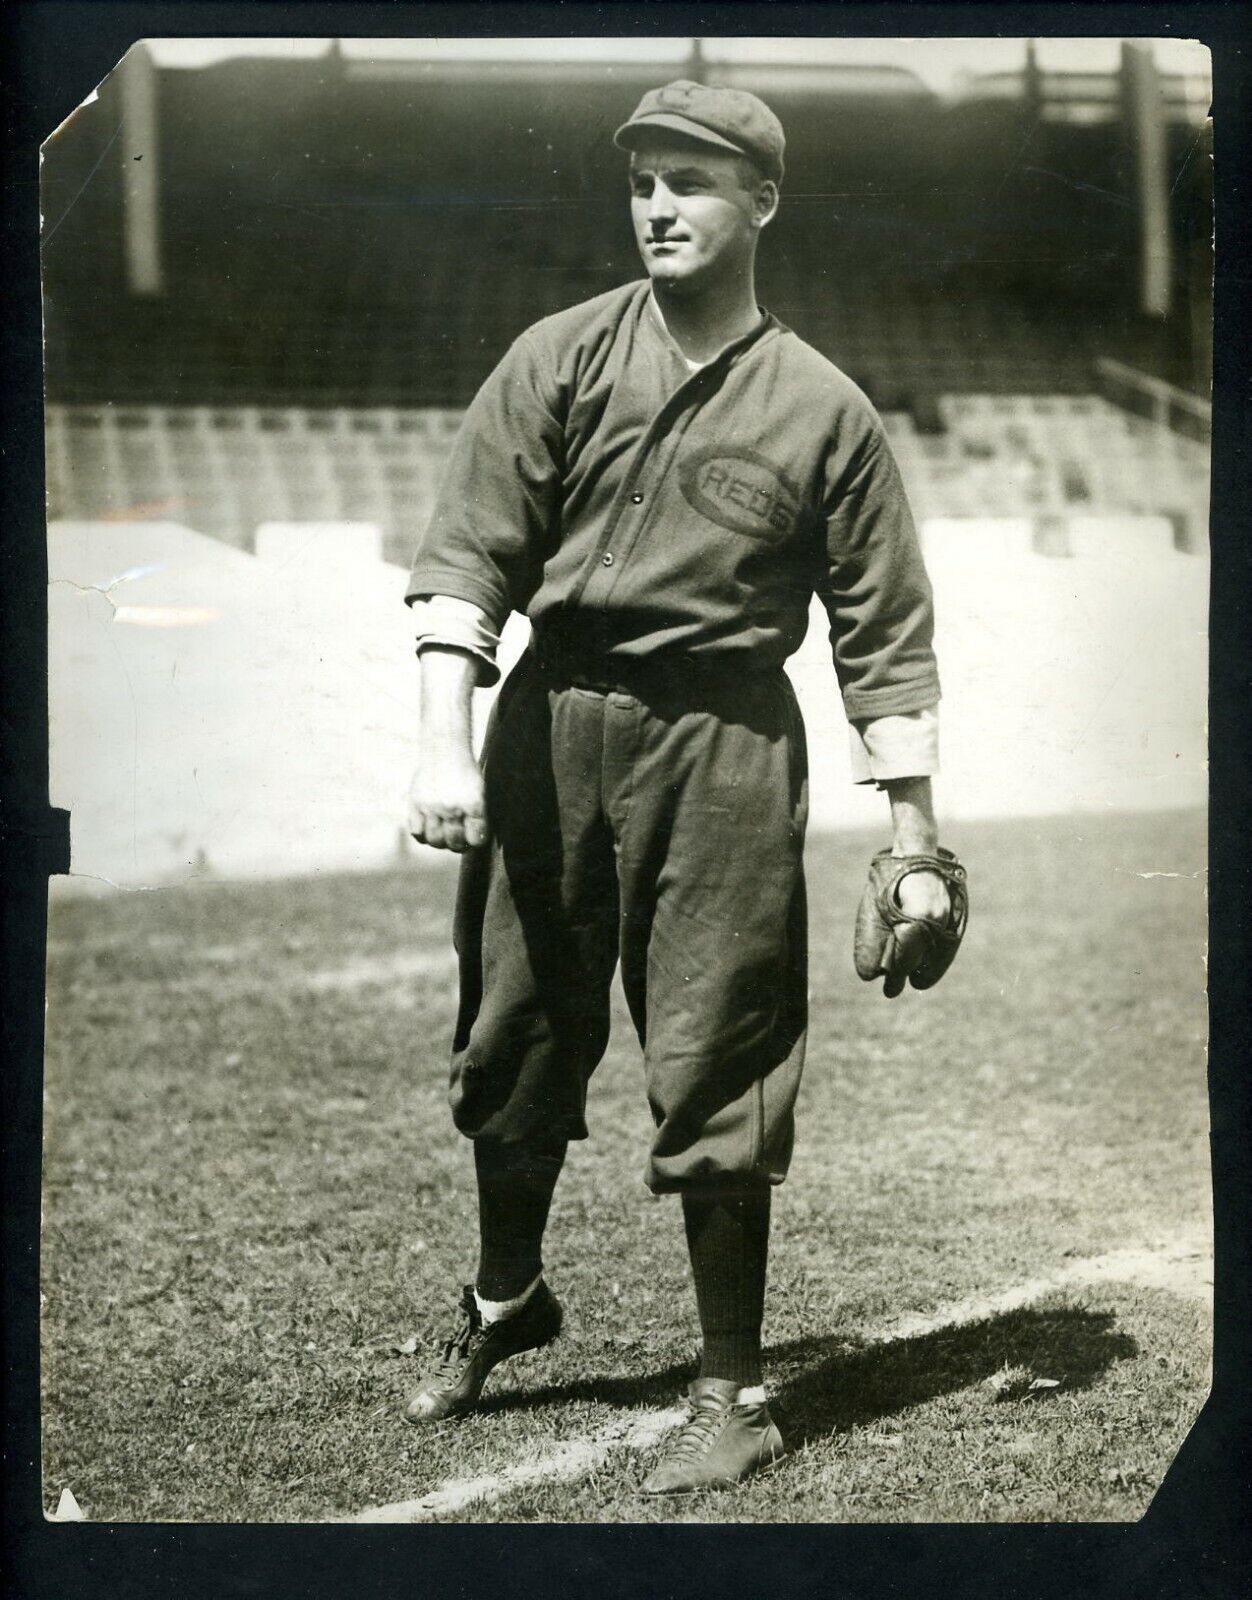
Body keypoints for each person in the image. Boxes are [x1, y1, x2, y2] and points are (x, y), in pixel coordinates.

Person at [402, 79, 953, 1495]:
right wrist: (436, 743)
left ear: (760, 202)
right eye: (643, 177)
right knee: (511, 1043)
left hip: (723, 737)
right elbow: (467, 557)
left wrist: (917, 836)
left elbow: (883, 631)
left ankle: (733, 1391)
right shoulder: (561, 356)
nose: (658, 203)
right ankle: (507, 1302)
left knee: (718, 1050)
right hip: (554, 714)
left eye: (692, 181)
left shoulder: (827, 410)